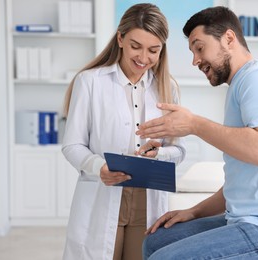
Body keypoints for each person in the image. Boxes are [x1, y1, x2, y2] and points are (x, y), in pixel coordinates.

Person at [138, 6, 258, 260]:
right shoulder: (240, 85)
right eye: (192, 52)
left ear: (228, 39)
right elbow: (242, 185)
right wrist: (194, 211)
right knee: (156, 243)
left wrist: (194, 124)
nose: (195, 60)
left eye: (200, 48)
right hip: (248, 221)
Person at [61, 3, 185, 260]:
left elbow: (179, 150)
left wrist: (159, 154)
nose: (143, 58)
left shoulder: (168, 87)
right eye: (135, 46)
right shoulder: (91, 82)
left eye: (154, 50)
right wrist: (99, 167)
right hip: (102, 194)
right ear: (120, 38)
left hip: (147, 201)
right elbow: (72, 145)